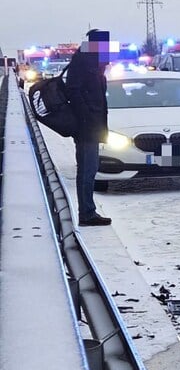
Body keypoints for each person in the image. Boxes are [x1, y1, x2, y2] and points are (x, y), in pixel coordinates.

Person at [65, 29, 112, 226]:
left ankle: (88, 210)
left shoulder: (95, 65)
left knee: (90, 169)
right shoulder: (83, 64)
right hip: (86, 126)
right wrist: (85, 117)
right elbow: (74, 91)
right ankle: (86, 213)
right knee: (87, 169)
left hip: (93, 124)